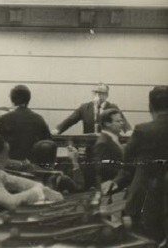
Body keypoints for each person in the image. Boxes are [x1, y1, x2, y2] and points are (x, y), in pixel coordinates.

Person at [109, 86, 168, 242]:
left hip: (144, 199)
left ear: (150, 107)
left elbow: (127, 164)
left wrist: (115, 183)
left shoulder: (143, 130)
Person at [0, 85, 52, 161]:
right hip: (32, 166)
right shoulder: (39, 119)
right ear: (28, 99)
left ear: (12, 100)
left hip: (9, 166)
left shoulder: (3, 119)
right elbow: (48, 143)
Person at [53, 83, 131, 135]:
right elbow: (70, 120)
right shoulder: (84, 108)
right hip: (90, 145)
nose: (97, 95)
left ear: (106, 95)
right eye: (95, 93)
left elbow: (123, 122)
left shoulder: (113, 107)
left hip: (107, 144)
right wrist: (58, 129)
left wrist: (128, 131)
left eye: (101, 93)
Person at [92, 108, 125, 186]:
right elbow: (102, 169)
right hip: (112, 185)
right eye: (118, 121)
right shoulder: (103, 143)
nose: (122, 123)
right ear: (107, 123)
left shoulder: (112, 138)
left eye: (121, 120)